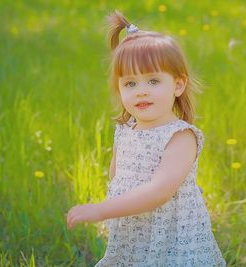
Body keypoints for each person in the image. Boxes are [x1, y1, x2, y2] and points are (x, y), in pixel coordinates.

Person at [66, 10, 226, 266]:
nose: (141, 92)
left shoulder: (180, 137)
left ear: (178, 85)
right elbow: (116, 178)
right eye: (130, 84)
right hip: (133, 235)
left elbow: (159, 192)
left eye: (153, 81)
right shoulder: (126, 129)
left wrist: (100, 210)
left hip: (171, 241)